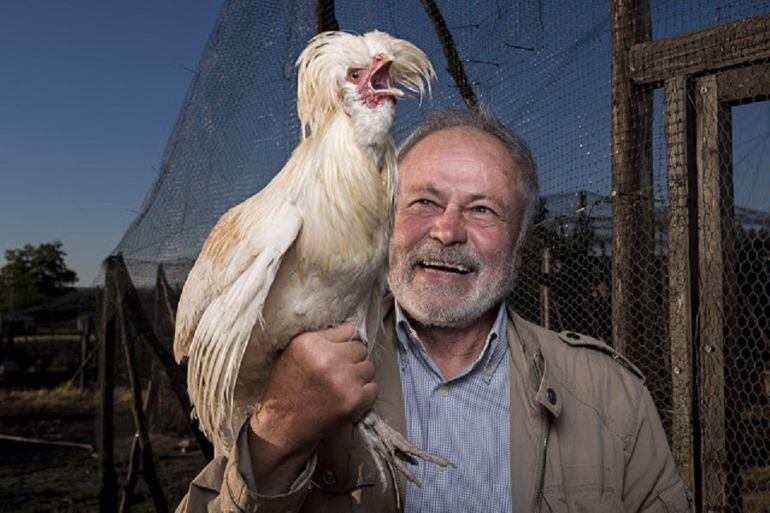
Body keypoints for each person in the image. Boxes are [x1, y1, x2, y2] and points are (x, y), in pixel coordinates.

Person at [177, 107, 691, 512]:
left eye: (482, 209)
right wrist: (279, 431)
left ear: (519, 243)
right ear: (384, 221)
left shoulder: (611, 396)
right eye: (423, 202)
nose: (447, 231)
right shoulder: (292, 371)